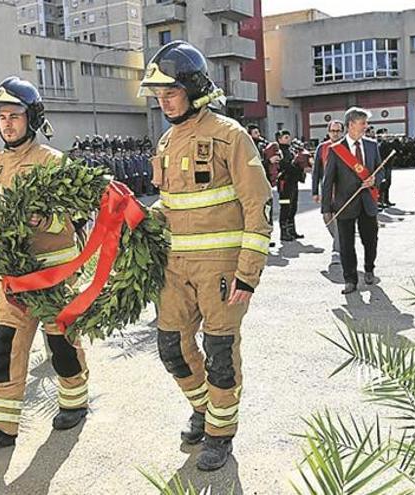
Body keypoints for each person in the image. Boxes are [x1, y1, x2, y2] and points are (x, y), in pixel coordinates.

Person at [139, 40, 272, 471]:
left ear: (194, 89)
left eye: (170, 93)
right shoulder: (164, 141)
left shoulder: (229, 135)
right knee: (170, 348)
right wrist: (140, 219)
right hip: (174, 270)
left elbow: (258, 206)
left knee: (219, 352)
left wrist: (248, 274)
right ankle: (203, 408)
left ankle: (220, 433)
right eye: (158, 96)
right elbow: (173, 204)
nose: (163, 102)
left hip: (222, 270)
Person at [0, 76, 88, 448]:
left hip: (54, 276)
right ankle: (0, 426)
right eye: (1, 117)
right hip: (12, 279)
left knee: (60, 343)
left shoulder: (52, 161)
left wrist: (44, 221)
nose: (7, 123)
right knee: (4, 346)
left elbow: (79, 214)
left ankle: (74, 401)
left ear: (31, 118)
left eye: (14, 115)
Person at [320, 107, 384, 295]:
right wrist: (326, 208)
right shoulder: (336, 149)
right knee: (347, 244)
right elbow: (328, 180)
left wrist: (375, 179)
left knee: (370, 240)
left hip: (368, 201)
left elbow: (381, 170)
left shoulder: (372, 145)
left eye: (365, 123)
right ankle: (350, 279)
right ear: (351, 125)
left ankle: (369, 269)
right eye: (362, 123)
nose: (366, 126)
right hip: (345, 202)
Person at [312, 119, 344, 264]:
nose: (335, 133)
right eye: (332, 131)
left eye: (338, 131)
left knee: (338, 219)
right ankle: (342, 241)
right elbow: (316, 171)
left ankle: (336, 250)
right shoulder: (322, 147)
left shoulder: (347, 147)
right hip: (326, 189)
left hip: (343, 190)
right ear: (328, 132)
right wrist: (315, 191)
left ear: (342, 132)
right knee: (327, 217)